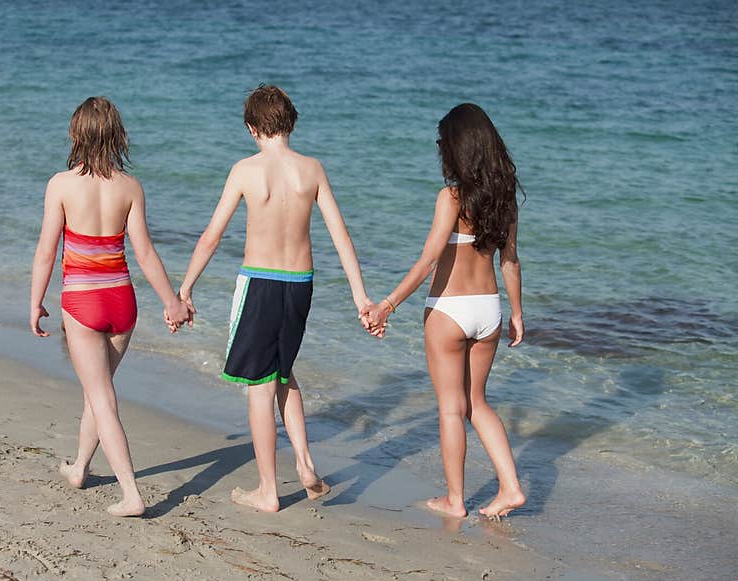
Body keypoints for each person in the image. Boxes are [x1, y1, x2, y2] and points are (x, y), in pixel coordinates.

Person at [179, 84, 374, 512]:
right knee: (284, 373)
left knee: (258, 387)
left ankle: (268, 490)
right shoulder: (313, 169)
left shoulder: (245, 170)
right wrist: (361, 296)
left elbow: (213, 236)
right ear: (291, 122)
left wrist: (186, 286)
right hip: (301, 283)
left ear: (252, 128)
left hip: (260, 282)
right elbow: (341, 235)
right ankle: (304, 462)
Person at [29, 96, 191, 517]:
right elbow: (147, 254)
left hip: (82, 301)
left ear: (76, 134)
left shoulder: (61, 184)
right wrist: (171, 302)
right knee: (96, 390)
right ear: (117, 136)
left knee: (101, 396)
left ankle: (132, 494)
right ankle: (80, 468)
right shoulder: (130, 187)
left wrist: (35, 302)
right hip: (122, 301)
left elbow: (47, 251)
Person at [364, 103, 526, 519]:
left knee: (451, 408)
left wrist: (387, 305)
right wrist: (517, 313)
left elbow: (428, 261)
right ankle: (510, 487)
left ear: (456, 149)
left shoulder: (452, 197)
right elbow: (510, 260)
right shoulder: (505, 200)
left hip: (449, 310)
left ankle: (455, 500)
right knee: (478, 403)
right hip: (488, 309)